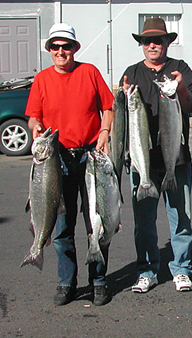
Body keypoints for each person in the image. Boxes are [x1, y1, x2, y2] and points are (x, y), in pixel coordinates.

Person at [25, 23, 114, 306]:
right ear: (49, 50)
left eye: (66, 46)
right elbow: (33, 117)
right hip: (56, 159)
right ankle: (67, 282)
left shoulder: (89, 72)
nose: (60, 51)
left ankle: (98, 280)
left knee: (96, 222)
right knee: (61, 224)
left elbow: (108, 108)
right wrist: (36, 127)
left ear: (75, 48)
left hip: (90, 157)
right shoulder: (41, 79)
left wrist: (104, 133)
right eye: (55, 46)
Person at [120, 18, 192, 293]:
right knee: (144, 222)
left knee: (181, 219)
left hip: (176, 159)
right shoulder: (131, 73)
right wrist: (123, 96)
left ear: (168, 42)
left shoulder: (180, 69)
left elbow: (189, 106)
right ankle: (147, 270)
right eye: (146, 41)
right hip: (143, 162)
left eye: (158, 40)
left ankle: (182, 269)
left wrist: (181, 88)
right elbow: (121, 116)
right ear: (141, 45)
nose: (152, 45)